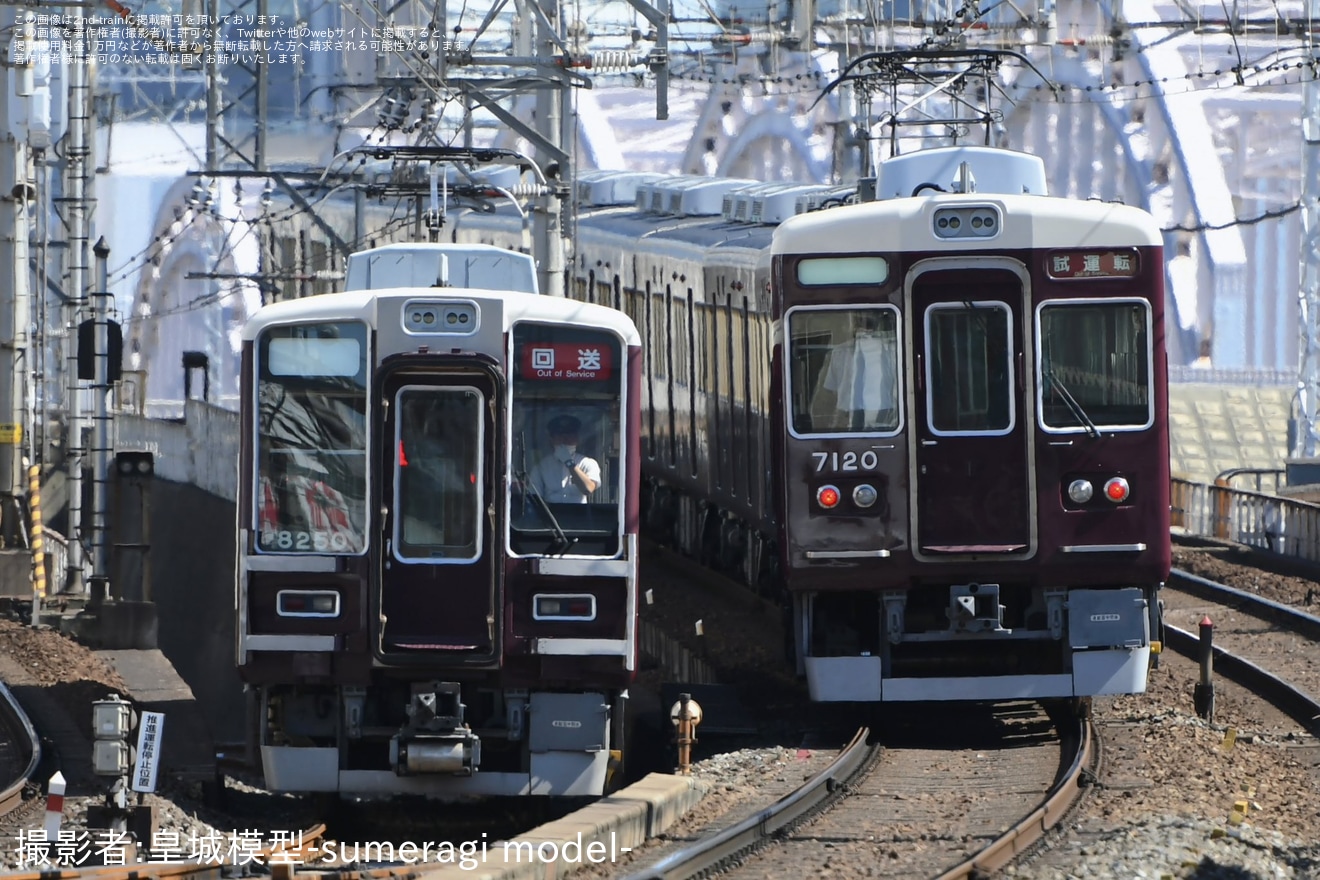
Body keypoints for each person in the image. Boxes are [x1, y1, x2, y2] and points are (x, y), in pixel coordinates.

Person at [531, 414, 600, 503]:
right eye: (560, 436)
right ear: (552, 439)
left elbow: (588, 488)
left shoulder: (588, 463)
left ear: (577, 439)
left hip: (579, 514)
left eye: (569, 436)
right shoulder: (541, 467)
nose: (564, 440)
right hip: (550, 513)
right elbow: (535, 498)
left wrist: (569, 463)